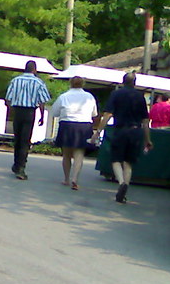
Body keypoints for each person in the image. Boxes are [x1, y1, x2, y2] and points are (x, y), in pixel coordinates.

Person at [92, 71, 152, 203]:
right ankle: (125, 188)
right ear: (135, 83)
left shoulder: (116, 94)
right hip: (136, 131)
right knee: (128, 162)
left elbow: (107, 114)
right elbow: (145, 121)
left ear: (123, 81)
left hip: (120, 130)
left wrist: (98, 131)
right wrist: (147, 139)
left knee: (116, 159)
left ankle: (121, 183)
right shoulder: (140, 97)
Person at [4, 60, 51, 180]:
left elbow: (8, 99)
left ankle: (16, 164)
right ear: (34, 70)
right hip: (30, 113)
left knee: (18, 139)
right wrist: (41, 116)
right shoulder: (39, 83)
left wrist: (11, 110)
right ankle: (21, 168)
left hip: (18, 111)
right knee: (25, 140)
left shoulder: (15, 80)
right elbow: (42, 101)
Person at [49, 76, 98, 190]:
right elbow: (94, 113)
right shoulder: (89, 97)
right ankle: (75, 178)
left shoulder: (64, 96)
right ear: (83, 84)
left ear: (70, 84)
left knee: (66, 154)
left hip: (67, 125)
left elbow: (54, 112)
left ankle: (66, 179)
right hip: (84, 126)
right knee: (79, 154)